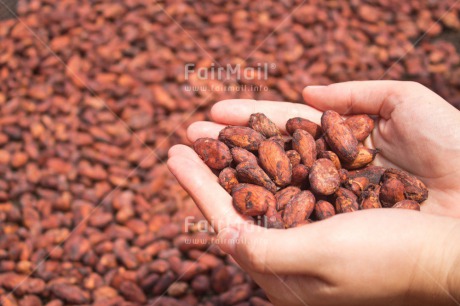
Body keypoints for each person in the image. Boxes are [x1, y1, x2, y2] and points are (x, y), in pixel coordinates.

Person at [168, 81, 460, 306]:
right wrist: (437, 260)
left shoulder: (333, 176)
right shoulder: (284, 169)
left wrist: (436, 261)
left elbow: (328, 164)